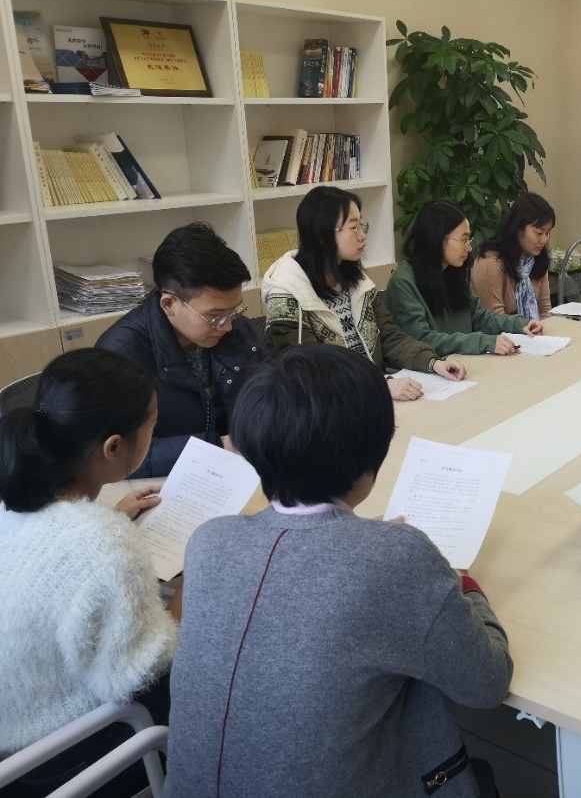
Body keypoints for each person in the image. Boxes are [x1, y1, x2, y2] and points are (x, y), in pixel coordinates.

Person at [165, 344, 513, 798]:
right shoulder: (397, 558)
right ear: (374, 452)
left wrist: (368, 545)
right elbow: (488, 683)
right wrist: (462, 581)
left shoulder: (210, 540)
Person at [0, 349, 178, 797]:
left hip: (15, 740)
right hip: (69, 760)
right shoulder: (102, 543)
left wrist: (108, 519)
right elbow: (143, 673)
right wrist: (193, 588)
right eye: (153, 427)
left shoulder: (12, 503)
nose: (154, 436)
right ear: (113, 447)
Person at [262, 186, 466, 401]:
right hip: (330, 408)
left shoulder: (356, 283)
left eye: (362, 225)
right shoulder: (287, 296)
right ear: (322, 234)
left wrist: (433, 363)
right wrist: (381, 385)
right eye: (354, 227)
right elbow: (309, 373)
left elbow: (390, 336)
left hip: (372, 398)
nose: (363, 235)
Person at [97, 222, 265, 477]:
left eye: (235, 310)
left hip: (237, 469)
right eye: (215, 316)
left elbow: (268, 395)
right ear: (169, 304)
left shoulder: (234, 328)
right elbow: (120, 455)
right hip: (169, 482)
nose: (228, 325)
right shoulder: (120, 355)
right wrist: (220, 446)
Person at [386, 200, 543, 356]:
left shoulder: (452, 271)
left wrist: (520, 324)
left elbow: (480, 318)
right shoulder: (403, 281)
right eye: (463, 240)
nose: (469, 248)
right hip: (430, 367)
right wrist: (482, 342)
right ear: (438, 238)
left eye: (469, 240)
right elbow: (422, 340)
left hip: (464, 362)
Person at [471, 192, 554, 319]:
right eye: (539, 233)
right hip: (500, 331)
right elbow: (495, 322)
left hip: (532, 331)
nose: (544, 240)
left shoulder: (537, 259)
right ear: (517, 229)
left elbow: (544, 311)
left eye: (547, 233)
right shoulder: (491, 264)